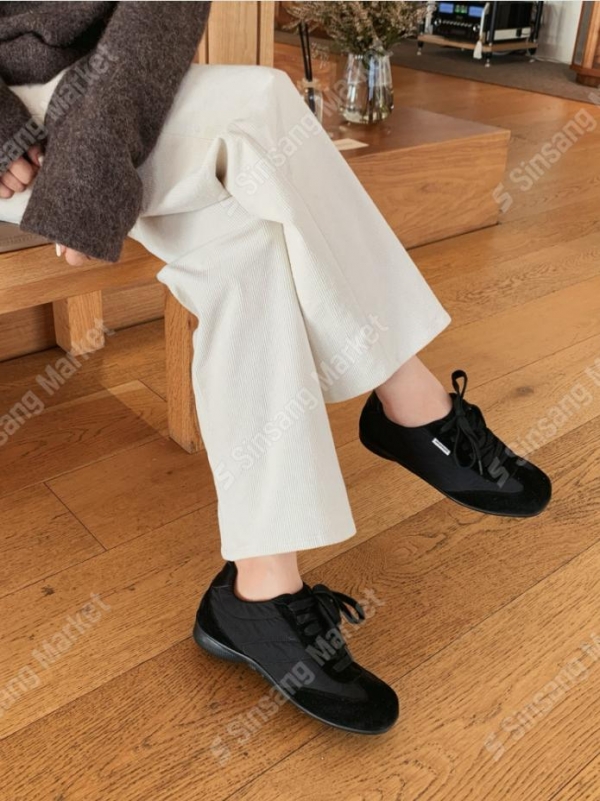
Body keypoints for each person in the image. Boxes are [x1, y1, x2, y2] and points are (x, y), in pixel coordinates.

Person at [0, 1, 551, 735]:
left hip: (98, 82)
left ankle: (262, 587)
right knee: (259, 112)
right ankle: (409, 404)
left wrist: (96, 143)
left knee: (250, 225)